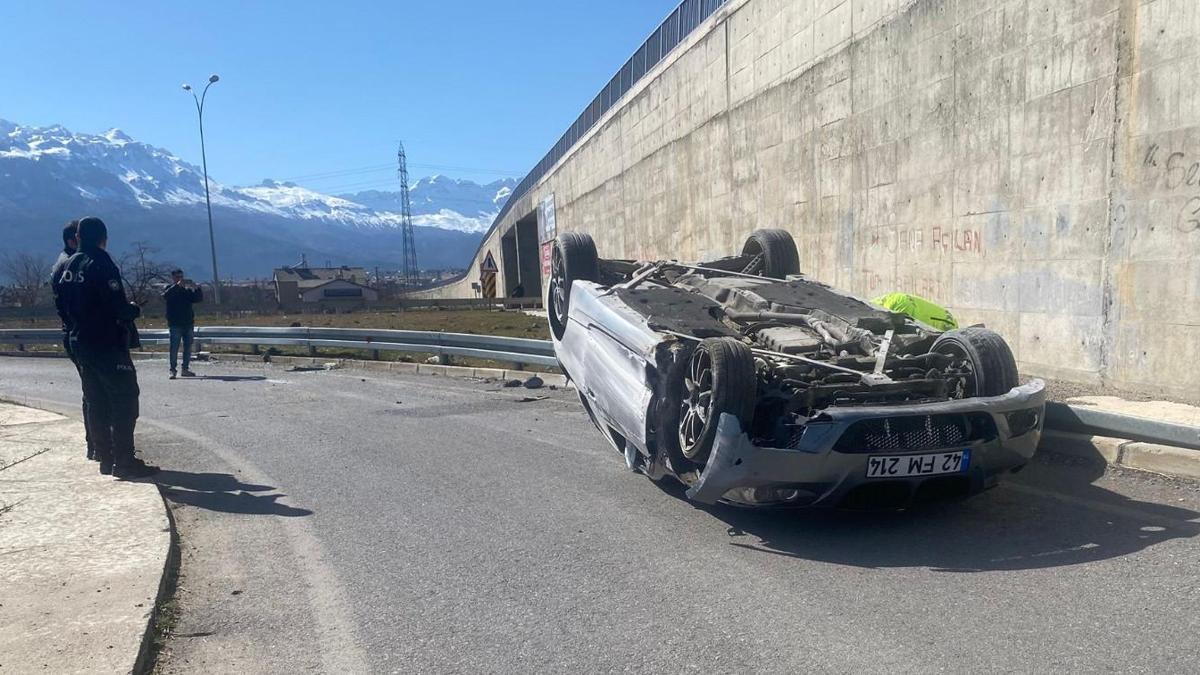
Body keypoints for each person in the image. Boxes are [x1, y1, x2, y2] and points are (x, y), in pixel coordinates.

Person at [58, 216, 157, 478]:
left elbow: (61, 307)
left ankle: (104, 457)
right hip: (106, 342)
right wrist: (133, 309)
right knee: (124, 398)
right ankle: (124, 461)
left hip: (79, 340)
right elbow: (118, 307)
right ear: (103, 238)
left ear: (78, 238)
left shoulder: (65, 266)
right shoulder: (100, 262)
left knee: (95, 400)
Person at [50, 219, 96, 461]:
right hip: (81, 334)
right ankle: (97, 444)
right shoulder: (70, 264)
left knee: (92, 389)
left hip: (74, 333)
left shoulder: (63, 262)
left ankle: (97, 443)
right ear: (73, 240)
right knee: (95, 391)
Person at [162, 268, 203, 379]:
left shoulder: (186, 291)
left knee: (188, 347)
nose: (180, 279)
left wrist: (197, 288)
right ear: (173, 278)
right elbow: (165, 296)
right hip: (175, 323)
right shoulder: (169, 289)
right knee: (174, 348)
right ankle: (172, 370)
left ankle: (185, 368)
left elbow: (197, 299)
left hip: (188, 323)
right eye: (177, 277)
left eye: (181, 276)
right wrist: (177, 286)